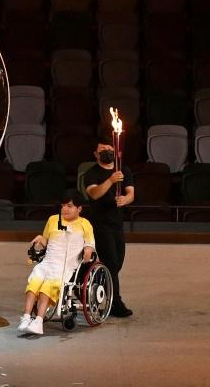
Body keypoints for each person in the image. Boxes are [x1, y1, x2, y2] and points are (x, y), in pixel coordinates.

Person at [19, 190, 95, 335]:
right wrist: (40, 239)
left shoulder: (85, 224)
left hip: (66, 266)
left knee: (46, 287)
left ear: (79, 208)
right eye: (63, 206)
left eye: (69, 206)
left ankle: (39, 321)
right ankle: (26, 317)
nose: (65, 209)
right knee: (33, 283)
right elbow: (47, 241)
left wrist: (88, 250)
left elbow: (90, 244)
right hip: (48, 261)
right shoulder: (53, 220)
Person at [84, 136, 134, 318]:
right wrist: (111, 181)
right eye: (103, 150)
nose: (107, 152)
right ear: (96, 154)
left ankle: (97, 285)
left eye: (110, 149)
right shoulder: (91, 173)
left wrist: (125, 199)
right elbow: (94, 194)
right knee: (111, 263)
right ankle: (115, 303)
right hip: (100, 224)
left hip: (117, 224)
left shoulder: (124, 170)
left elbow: (131, 193)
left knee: (117, 262)